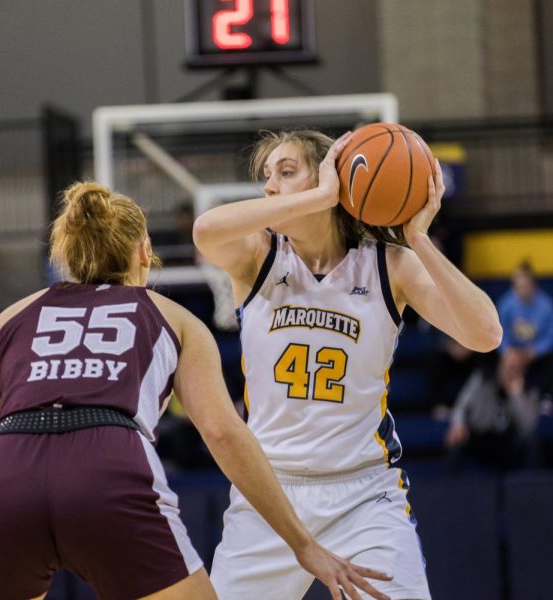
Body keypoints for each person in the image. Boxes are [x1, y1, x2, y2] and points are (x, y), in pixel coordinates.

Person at [0, 182, 390, 600]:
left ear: (63, 253)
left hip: (2, 475)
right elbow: (222, 432)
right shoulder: (172, 317)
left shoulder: (11, 316)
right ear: (143, 252)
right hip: (107, 466)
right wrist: (302, 542)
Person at [193, 129, 502, 599]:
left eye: (286, 171)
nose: (270, 187)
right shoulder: (257, 256)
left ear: (332, 177)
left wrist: (417, 239)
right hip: (270, 495)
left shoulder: (388, 266)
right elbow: (205, 231)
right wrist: (315, 196)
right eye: (267, 177)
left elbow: (486, 334)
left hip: (364, 493)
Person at [444, 352, 539, 472]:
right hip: (481, 436)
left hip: (509, 443)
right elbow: (462, 404)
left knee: (532, 443)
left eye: (516, 369)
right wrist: (458, 424)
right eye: (508, 367)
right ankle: (452, 487)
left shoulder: (529, 389)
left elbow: (528, 427)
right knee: (455, 439)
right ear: (500, 365)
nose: (510, 372)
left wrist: (516, 395)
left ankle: (531, 486)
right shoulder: (483, 378)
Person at [497, 262, 553, 400]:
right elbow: (499, 333)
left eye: (527, 286)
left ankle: (548, 398)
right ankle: (502, 399)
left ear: (534, 285)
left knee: (552, 360)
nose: (523, 290)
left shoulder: (547, 305)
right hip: (514, 350)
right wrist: (508, 351)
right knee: (499, 361)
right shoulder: (505, 304)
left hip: (535, 351)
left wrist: (535, 351)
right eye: (519, 286)